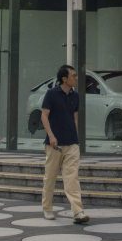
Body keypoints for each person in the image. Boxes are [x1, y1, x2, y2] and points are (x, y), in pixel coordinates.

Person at [40, 64, 90, 224]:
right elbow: (44, 116)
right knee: (50, 177)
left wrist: (75, 136)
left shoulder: (75, 96)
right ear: (64, 78)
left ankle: (78, 211)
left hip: (72, 143)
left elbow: (74, 118)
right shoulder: (51, 94)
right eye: (73, 76)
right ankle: (47, 208)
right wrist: (51, 136)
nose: (76, 78)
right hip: (54, 144)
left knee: (72, 178)